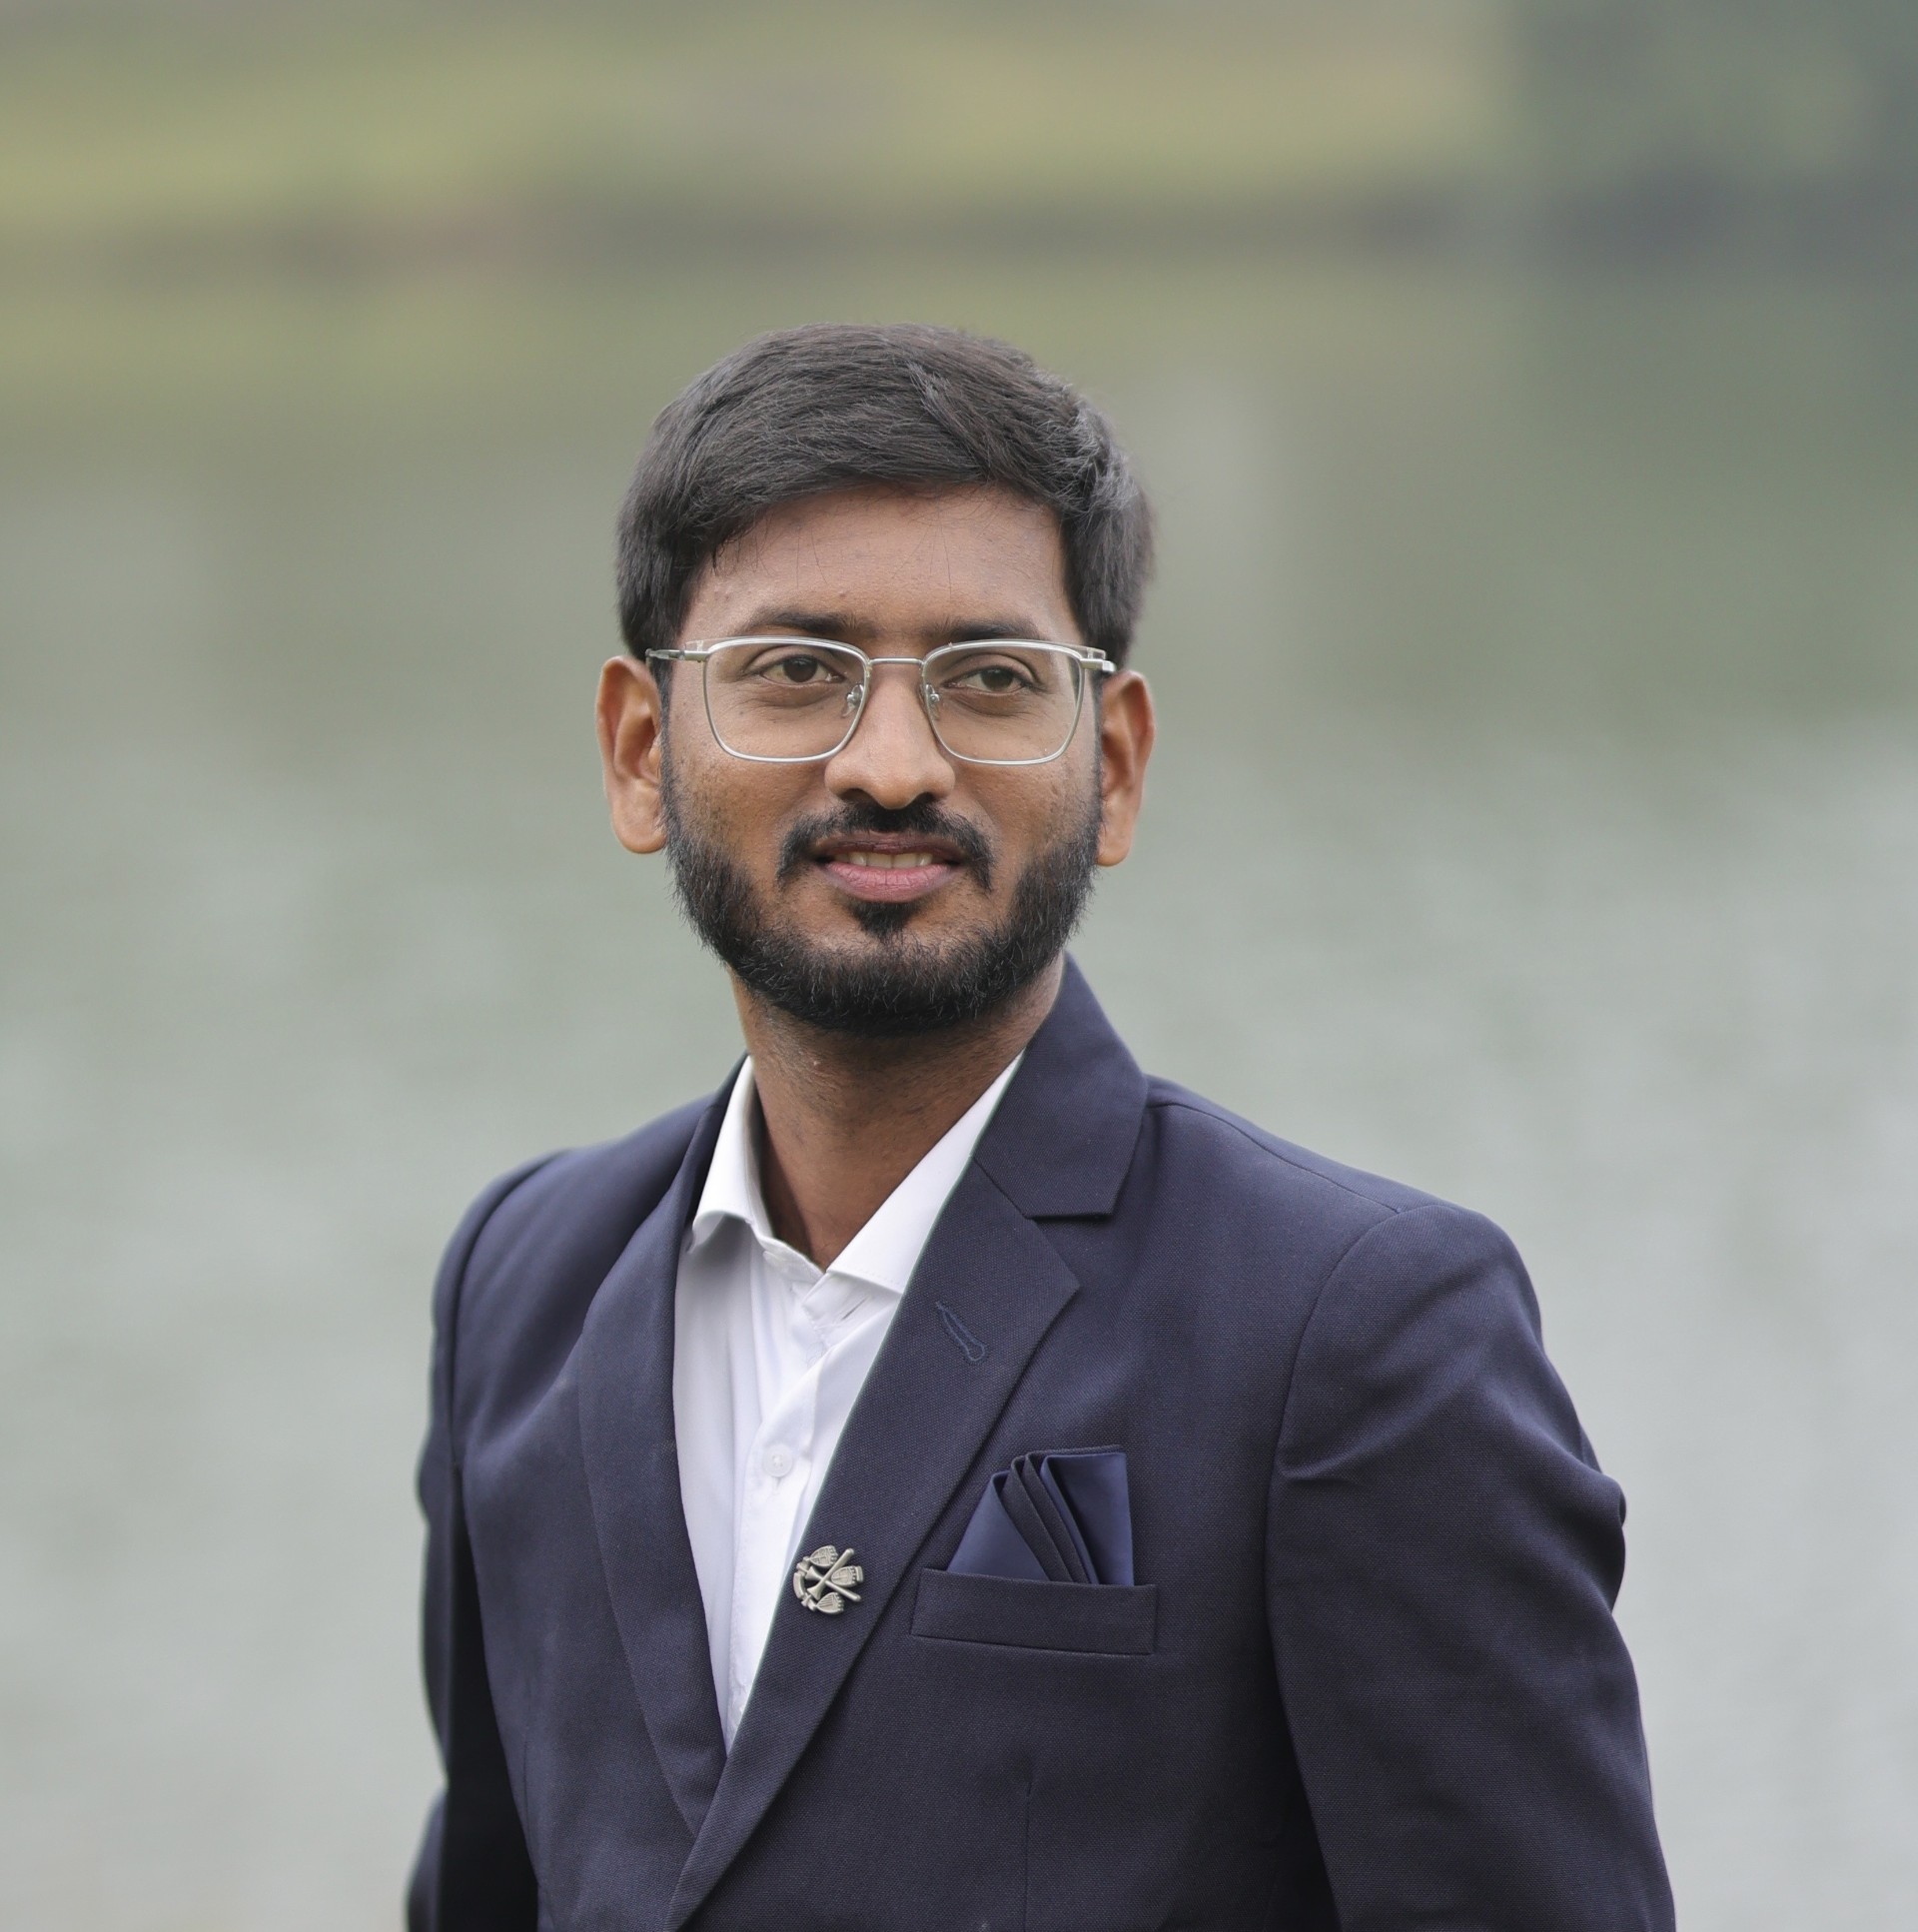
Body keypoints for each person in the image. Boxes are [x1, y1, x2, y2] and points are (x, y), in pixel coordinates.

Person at [409, 323, 1673, 1932]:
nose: (891, 764)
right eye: (795, 671)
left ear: (1115, 765)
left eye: (991, 681)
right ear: (641, 751)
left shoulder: (1352, 1331)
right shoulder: (525, 1285)